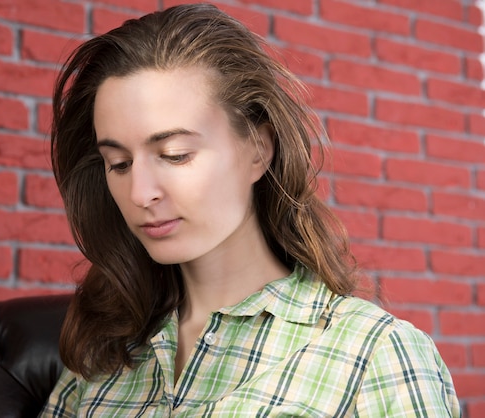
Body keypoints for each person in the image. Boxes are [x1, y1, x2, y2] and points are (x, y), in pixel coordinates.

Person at [40, 3, 460, 417]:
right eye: (120, 164)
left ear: (258, 149)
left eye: (175, 154)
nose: (140, 193)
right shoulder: (104, 351)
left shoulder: (375, 353)